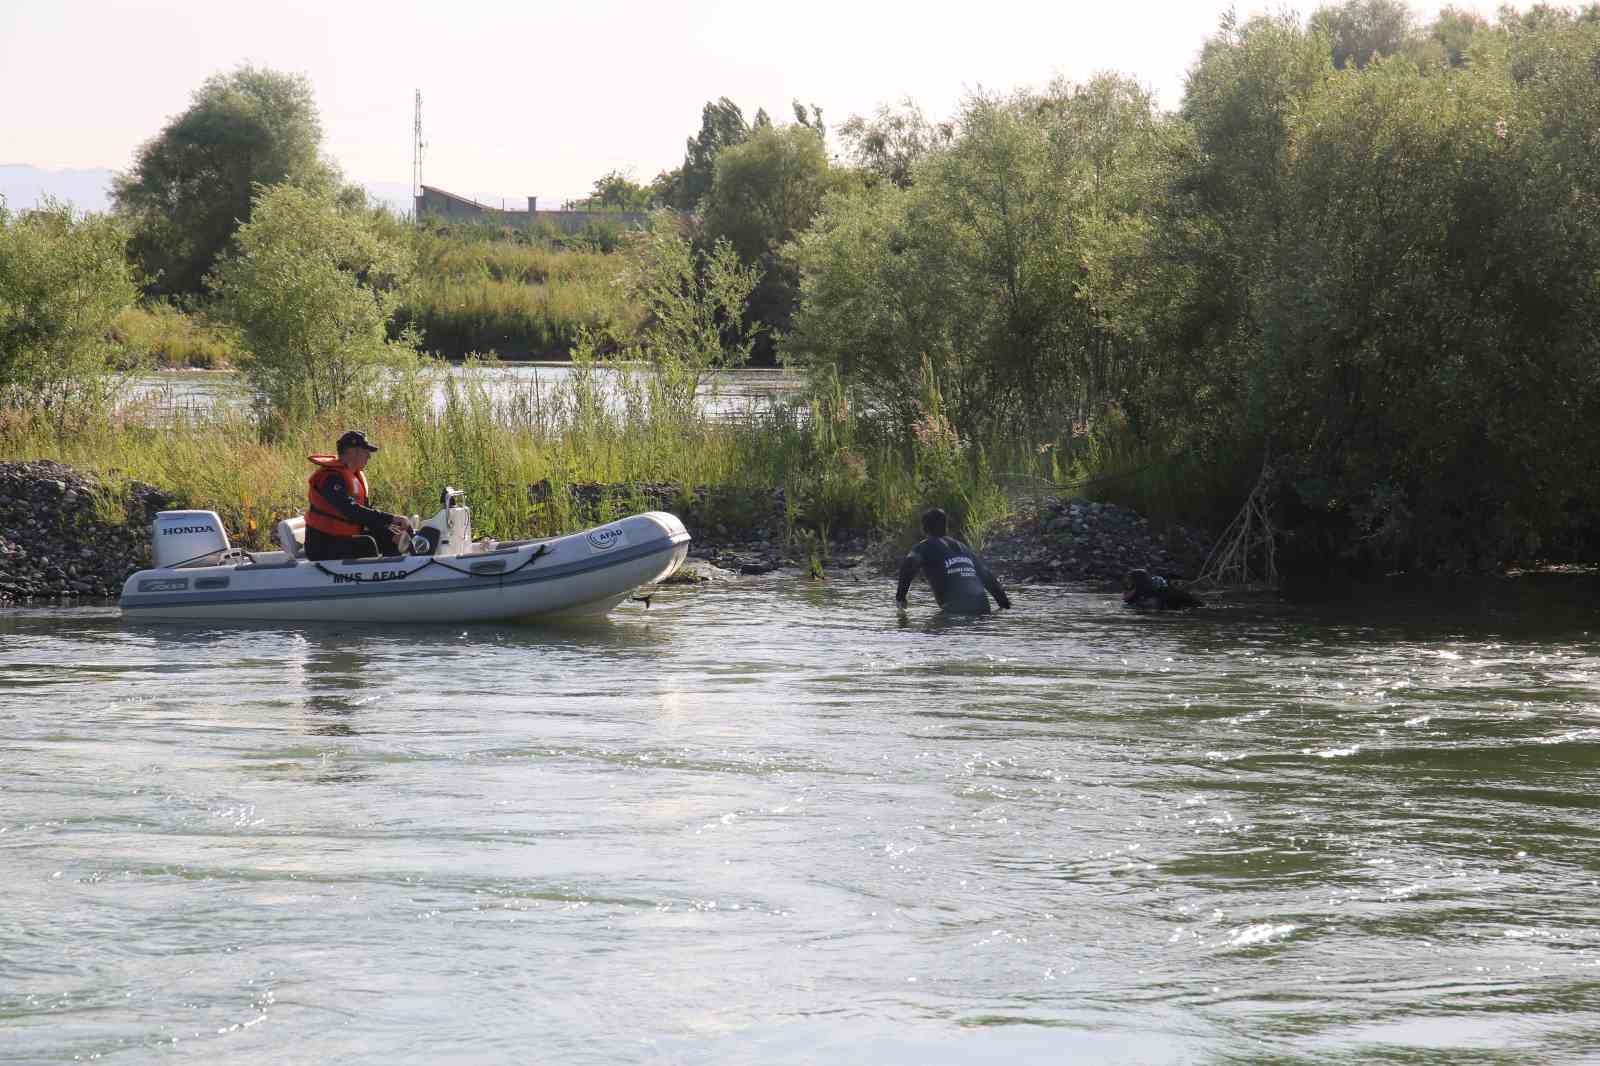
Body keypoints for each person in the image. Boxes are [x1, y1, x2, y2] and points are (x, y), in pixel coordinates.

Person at [304, 430, 413, 561]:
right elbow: (351, 510)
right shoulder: (330, 478)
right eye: (366, 452)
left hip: (339, 538)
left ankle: (398, 569)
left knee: (387, 537)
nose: (369, 456)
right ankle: (380, 578)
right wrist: (392, 518)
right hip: (322, 545)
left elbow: (367, 517)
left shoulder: (352, 475)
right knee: (366, 545)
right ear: (352, 452)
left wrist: (390, 533)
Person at [895, 507, 1011, 615]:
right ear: (946, 527)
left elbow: (908, 566)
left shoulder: (924, 547)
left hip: (955, 611)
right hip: (983, 608)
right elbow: (988, 578)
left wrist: (900, 598)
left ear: (924, 528)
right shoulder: (964, 548)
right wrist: (1004, 605)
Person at [1122, 568, 1203, 609]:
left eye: (1130, 585)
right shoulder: (1141, 596)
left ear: (1139, 584)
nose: (1125, 591)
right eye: (1126, 585)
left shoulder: (1150, 598)